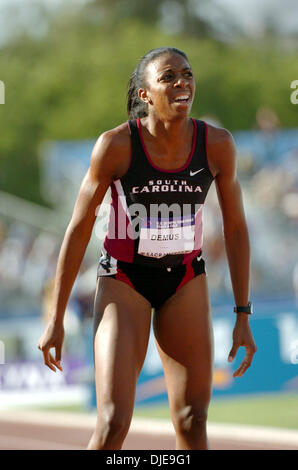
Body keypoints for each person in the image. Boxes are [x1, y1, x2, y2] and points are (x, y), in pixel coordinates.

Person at [37, 47, 257, 450]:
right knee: (113, 421)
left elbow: (237, 228)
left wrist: (243, 313)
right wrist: (56, 316)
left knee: (193, 420)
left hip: (185, 278)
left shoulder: (217, 145)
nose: (182, 83)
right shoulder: (116, 146)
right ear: (145, 95)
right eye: (168, 77)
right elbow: (78, 230)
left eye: (187, 75)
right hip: (125, 279)